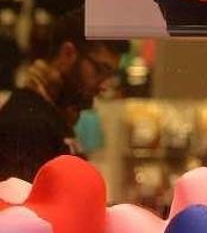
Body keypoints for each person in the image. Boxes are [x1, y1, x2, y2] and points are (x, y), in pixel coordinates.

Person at [0, 9, 129, 181]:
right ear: (68, 53)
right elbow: (26, 207)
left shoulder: (52, 114)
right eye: (100, 70)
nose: (104, 86)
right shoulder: (27, 123)